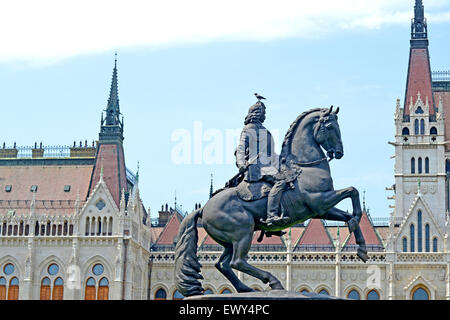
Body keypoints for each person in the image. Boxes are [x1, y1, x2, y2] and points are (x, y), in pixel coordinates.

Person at [236, 100, 288, 226]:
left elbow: (270, 154)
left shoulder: (265, 131)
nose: (264, 115)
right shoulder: (249, 129)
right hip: (257, 167)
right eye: (263, 112)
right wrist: (241, 163)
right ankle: (272, 215)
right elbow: (241, 148)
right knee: (281, 181)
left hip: (269, 165)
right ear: (257, 113)